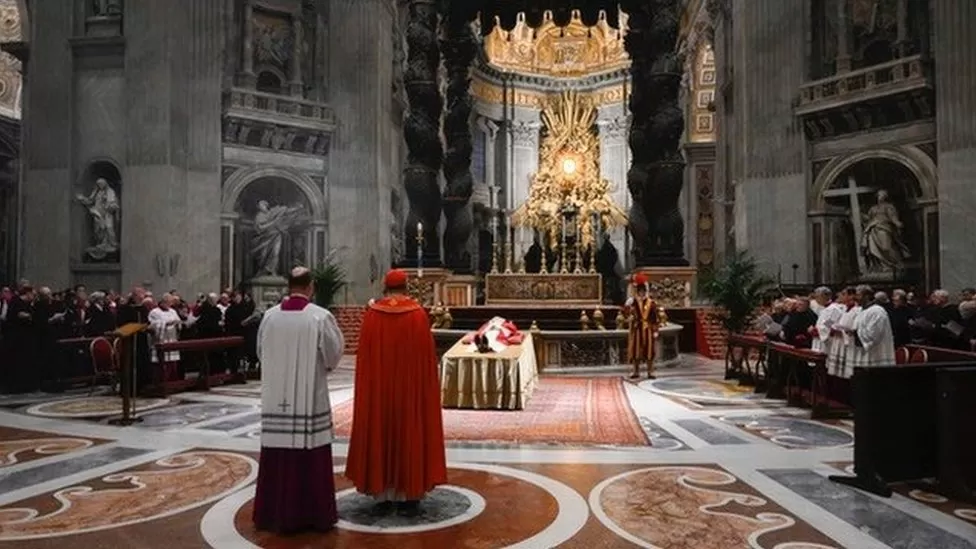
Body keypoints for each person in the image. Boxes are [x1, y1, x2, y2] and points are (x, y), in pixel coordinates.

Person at [346, 269, 447, 517]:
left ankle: (382, 494)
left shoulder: (373, 315)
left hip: (379, 391)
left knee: (381, 428)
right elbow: (427, 362)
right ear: (407, 286)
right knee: (409, 429)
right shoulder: (417, 316)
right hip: (410, 390)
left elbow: (365, 360)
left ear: (385, 286)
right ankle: (409, 494)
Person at [253, 267, 344, 533]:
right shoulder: (320, 317)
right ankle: (313, 515)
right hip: (309, 399)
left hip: (274, 398)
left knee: (276, 452)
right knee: (310, 455)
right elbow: (333, 355)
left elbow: (260, 352)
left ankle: (273, 514)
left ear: (288, 286)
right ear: (311, 286)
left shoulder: (269, 317)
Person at [623, 272, 660, 379]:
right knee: (636, 351)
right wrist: (627, 307)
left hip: (648, 329)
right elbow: (626, 313)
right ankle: (636, 371)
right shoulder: (633, 302)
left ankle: (650, 371)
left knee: (649, 351)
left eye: (643, 291)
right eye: (640, 291)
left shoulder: (651, 303)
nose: (641, 293)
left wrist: (656, 330)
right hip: (637, 329)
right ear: (637, 292)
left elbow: (655, 318)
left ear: (645, 291)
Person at [851, 285, 896, 368]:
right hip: (863, 354)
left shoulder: (877, 311)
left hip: (877, 356)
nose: (855, 298)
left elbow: (873, 335)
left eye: (858, 295)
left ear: (867, 296)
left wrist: (855, 333)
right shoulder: (862, 311)